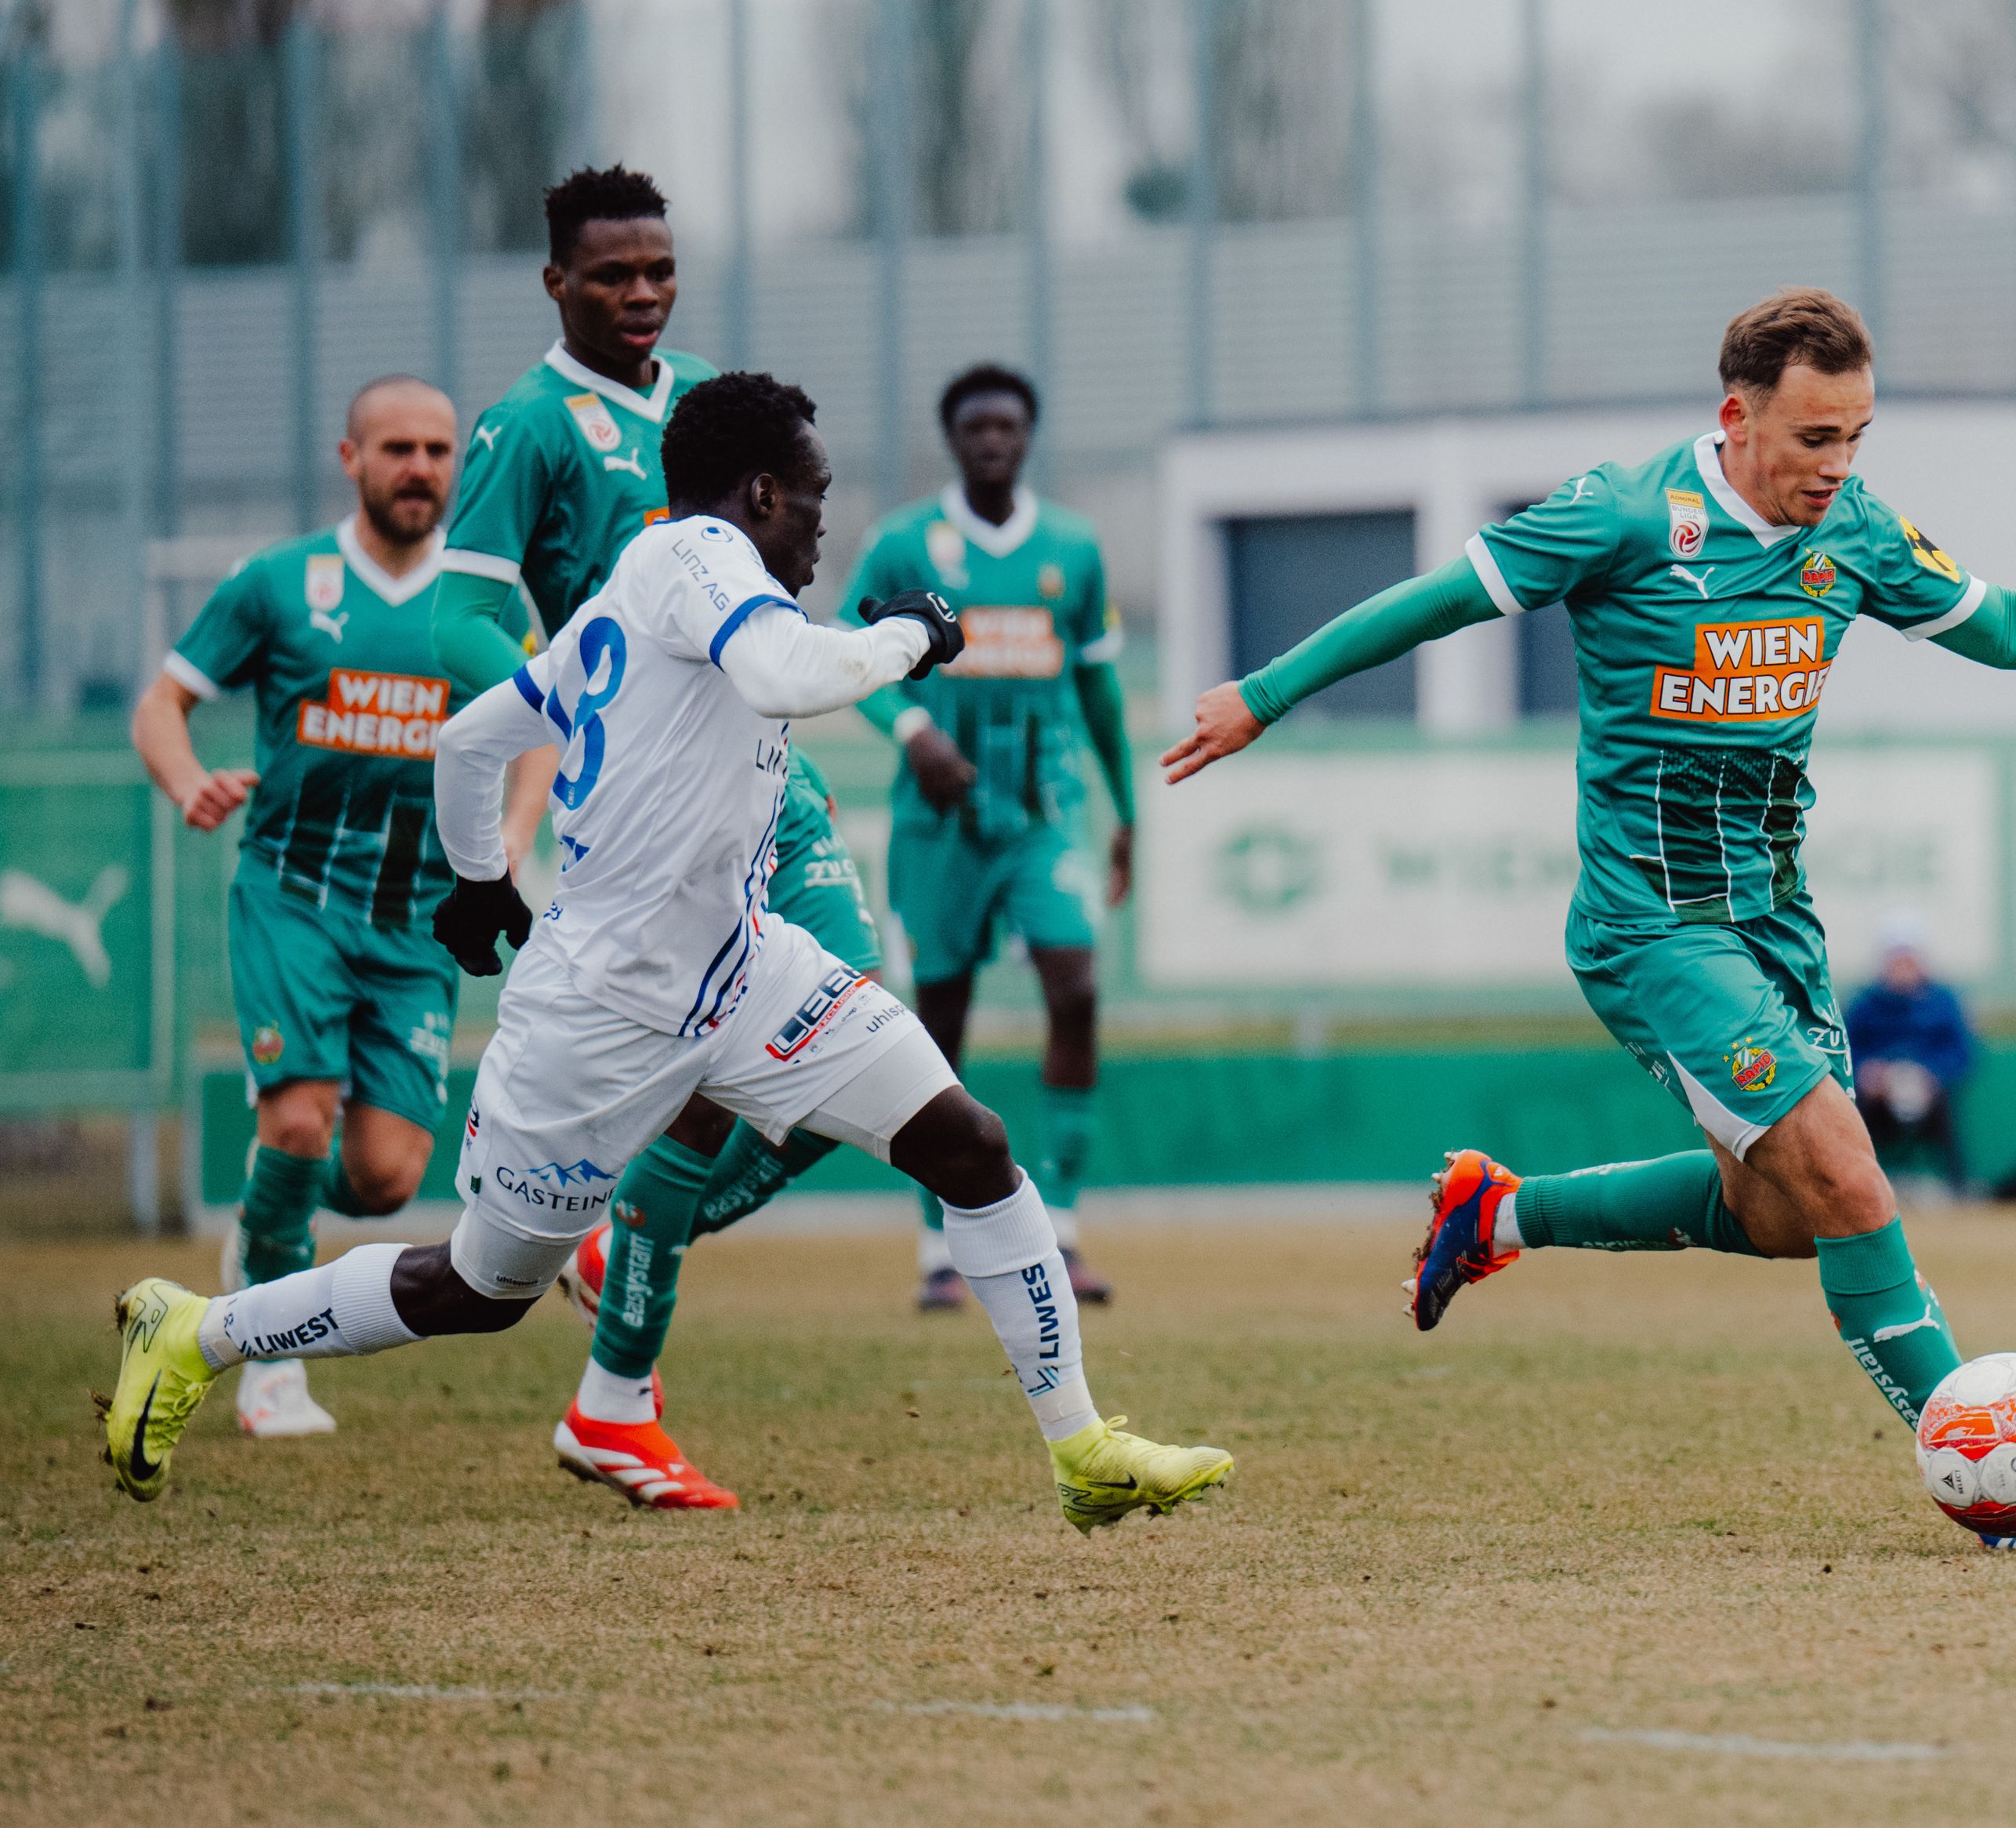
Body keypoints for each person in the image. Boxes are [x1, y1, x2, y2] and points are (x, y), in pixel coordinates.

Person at [1162, 287, 2016, 1548]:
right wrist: (1267, 693)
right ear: (1739, 414)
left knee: (1786, 1215)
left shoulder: (1857, 534)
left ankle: (1496, 1212)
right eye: (1815, 437)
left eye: (1857, 437)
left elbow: (2001, 627)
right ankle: (1997, 1476)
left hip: (1775, 921)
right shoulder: (1619, 512)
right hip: (1652, 924)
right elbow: (1437, 598)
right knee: (1847, 1171)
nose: (1838, 466)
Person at [102, 372, 1235, 1533]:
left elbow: (472, 735)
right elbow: (786, 674)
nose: (824, 520)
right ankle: (196, 1329)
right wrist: (912, 633)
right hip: (600, 1011)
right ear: (758, 493)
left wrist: (480, 870)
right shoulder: (703, 560)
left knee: (972, 1143)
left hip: (746, 972)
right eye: (813, 494)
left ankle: (1083, 1446)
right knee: (482, 1288)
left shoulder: (641, 585)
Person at [430, 164, 883, 1510]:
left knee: (833, 1052)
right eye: (613, 273)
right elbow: (457, 622)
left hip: (767, 770)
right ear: (555, 280)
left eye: (659, 269)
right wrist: (566, 696)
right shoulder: (527, 426)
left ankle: (620, 1260)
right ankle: (617, 1398)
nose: (642, 293)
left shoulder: (700, 403)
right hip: (652, 801)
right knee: (761, 1057)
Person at [127, 376, 529, 1438]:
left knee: (387, 1178)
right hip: (293, 896)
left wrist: (511, 848)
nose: (422, 468)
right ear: (349, 458)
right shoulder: (279, 581)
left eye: (441, 450)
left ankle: (266, 1229)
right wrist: (187, 782)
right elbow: (163, 700)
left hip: (416, 921)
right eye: (398, 447)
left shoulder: (483, 606)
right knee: (300, 1117)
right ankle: (264, 1359)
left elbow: (543, 730)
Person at [849, 364, 1134, 1310]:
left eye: (1008, 425)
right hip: (940, 827)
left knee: (1078, 987)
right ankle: (940, 1244)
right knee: (938, 1026)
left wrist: (1126, 805)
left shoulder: (1073, 549)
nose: (992, 440)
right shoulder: (900, 547)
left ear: (1027, 436)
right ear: (953, 437)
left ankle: (1063, 1231)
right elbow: (849, 663)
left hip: (1043, 816)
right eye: (975, 426)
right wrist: (912, 729)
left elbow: (1096, 685)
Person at [1844, 918, 1979, 1195]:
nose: (1903, 967)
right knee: (1852, 1116)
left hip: (1932, 1097)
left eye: (1909, 959)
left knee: (1946, 1116)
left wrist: (1932, 1076)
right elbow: (1845, 1049)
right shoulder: (1864, 1003)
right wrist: (1869, 1074)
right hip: (1874, 1100)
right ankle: (1854, 1187)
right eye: (1897, 960)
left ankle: (1959, 1189)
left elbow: (1963, 1053)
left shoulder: (1945, 1001)